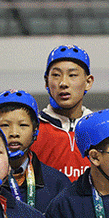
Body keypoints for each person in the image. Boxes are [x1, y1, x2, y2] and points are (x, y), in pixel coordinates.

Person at [0, 89, 71, 213]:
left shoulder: (56, 183)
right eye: (5, 125)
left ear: (35, 131)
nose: (14, 133)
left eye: (23, 125)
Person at [30, 44, 94, 181]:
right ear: (46, 82)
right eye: (56, 75)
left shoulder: (99, 130)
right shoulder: (31, 129)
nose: (63, 83)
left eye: (72, 75)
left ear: (88, 82)